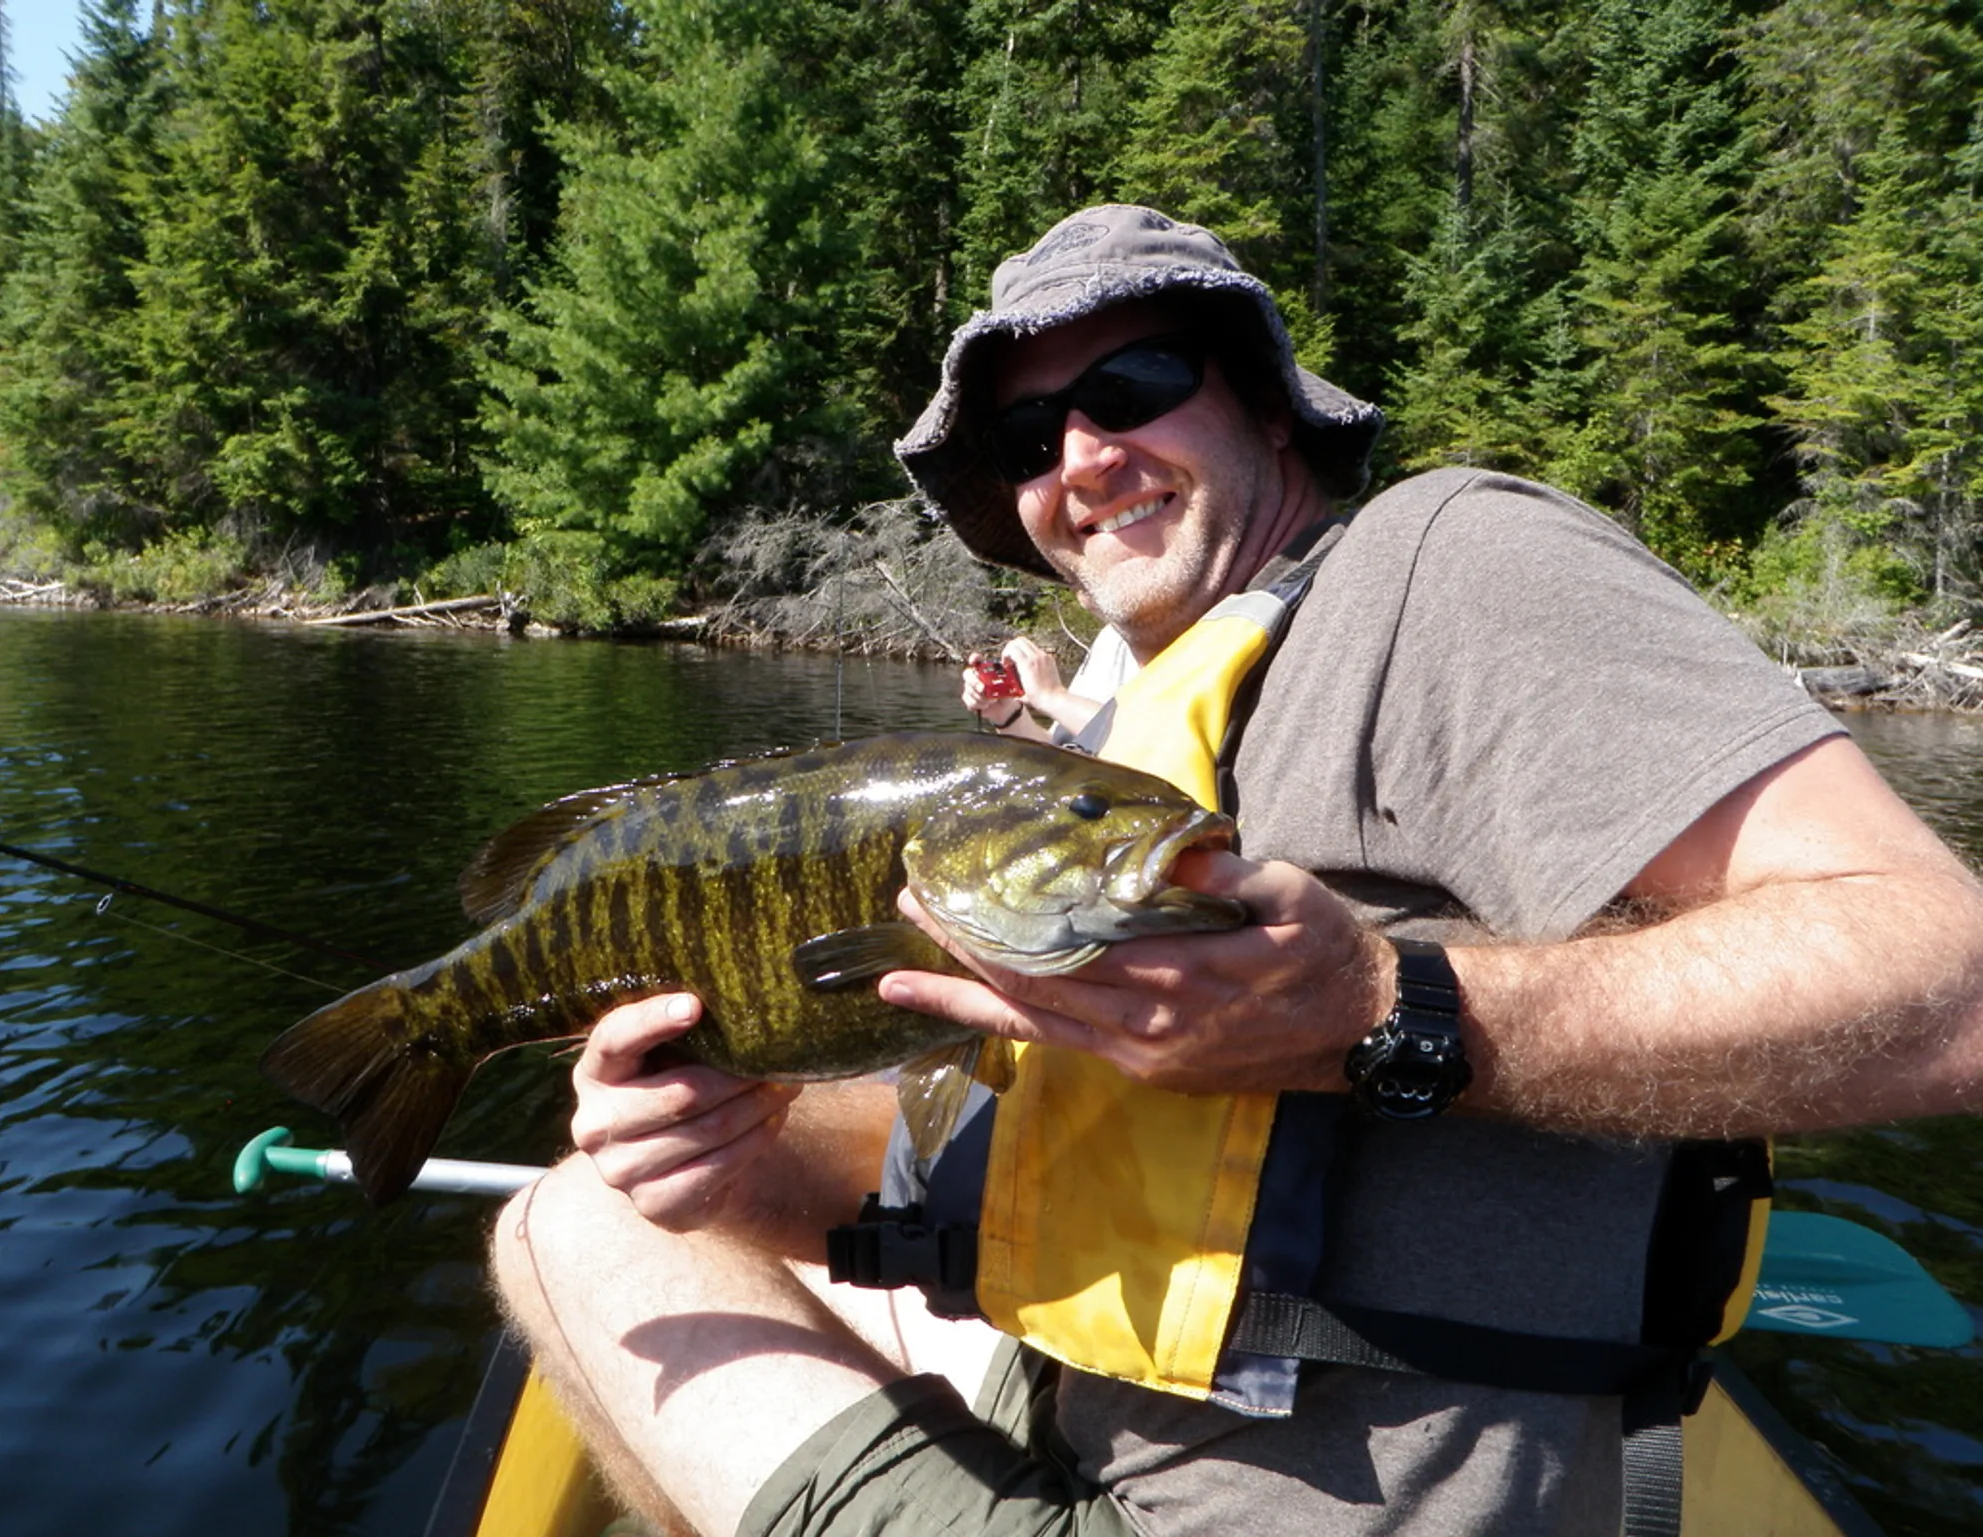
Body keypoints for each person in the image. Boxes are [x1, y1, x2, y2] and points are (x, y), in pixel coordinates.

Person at [490, 205, 1983, 1537]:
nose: (1082, 457)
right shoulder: (1134, 736)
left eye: (1129, 387)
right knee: (622, 1194)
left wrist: (1388, 1013)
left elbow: (1954, 983)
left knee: (562, 1237)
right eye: (1026, 442)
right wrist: (730, 1156)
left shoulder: (1447, 569)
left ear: (1268, 405)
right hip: (1091, 1414)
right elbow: (973, 1171)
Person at [959, 631, 1131, 742]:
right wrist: (1007, 714)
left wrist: (1053, 696)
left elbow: (1145, 742)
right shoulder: (1111, 637)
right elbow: (1062, 747)